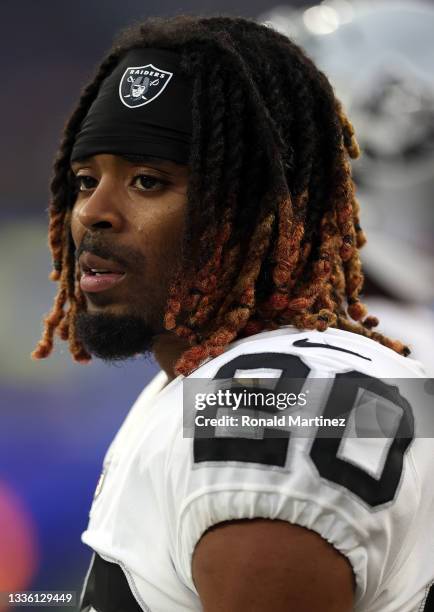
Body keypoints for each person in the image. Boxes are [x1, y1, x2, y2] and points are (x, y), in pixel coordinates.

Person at [32, 15, 433, 612]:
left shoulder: (263, 402)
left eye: (147, 180)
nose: (94, 212)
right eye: (85, 180)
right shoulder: (224, 379)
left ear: (255, 211)